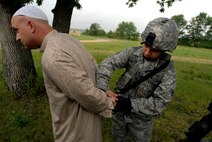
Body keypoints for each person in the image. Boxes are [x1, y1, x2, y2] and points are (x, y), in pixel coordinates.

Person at [11, 5, 116, 142]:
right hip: (90, 130)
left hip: (75, 135)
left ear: (30, 25)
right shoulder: (69, 39)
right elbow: (94, 67)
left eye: (17, 30)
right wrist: (105, 90)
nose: (17, 37)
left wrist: (110, 102)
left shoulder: (52, 55)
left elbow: (85, 92)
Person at [96, 17, 179, 142]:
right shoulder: (132, 53)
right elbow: (107, 64)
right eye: (146, 45)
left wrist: (130, 104)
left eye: (154, 50)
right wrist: (104, 89)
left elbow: (160, 102)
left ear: (164, 49)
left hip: (142, 120)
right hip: (119, 113)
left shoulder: (168, 71)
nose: (146, 52)